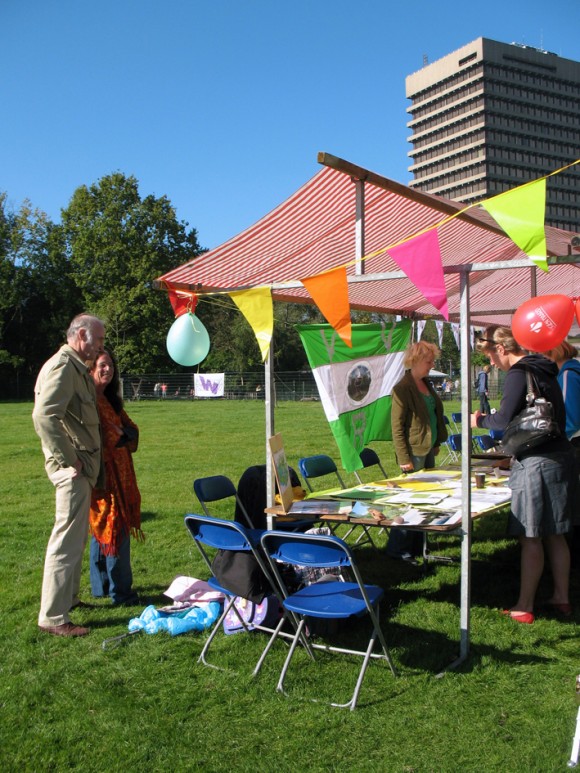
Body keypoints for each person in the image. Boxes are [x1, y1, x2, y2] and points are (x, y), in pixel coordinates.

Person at [470, 326, 576, 623]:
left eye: (490, 355)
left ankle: (524, 605)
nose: (491, 363)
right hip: (559, 454)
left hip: (536, 460)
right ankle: (562, 598)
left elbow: (502, 419)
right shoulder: (547, 368)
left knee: (530, 536)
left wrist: (478, 420)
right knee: (556, 534)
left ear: (501, 349)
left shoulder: (519, 373)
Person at [33, 313, 106, 637]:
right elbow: (45, 416)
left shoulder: (74, 366)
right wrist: (70, 459)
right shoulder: (63, 367)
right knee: (65, 542)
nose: (102, 346)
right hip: (73, 472)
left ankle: (70, 600)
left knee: (75, 539)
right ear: (81, 336)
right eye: (99, 340)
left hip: (81, 469)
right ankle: (53, 617)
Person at [89, 350, 143, 605]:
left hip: (122, 474)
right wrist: (121, 434)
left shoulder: (110, 400)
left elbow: (132, 431)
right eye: (102, 365)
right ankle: (120, 592)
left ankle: (104, 587)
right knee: (109, 526)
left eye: (110, 365)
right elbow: (106, 438)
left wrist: (123, 433)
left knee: (105, 528)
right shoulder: (88, 400)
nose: (107, 370)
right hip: (103, 476)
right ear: (91, 368)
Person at [386, 341, 448, 563]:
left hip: (428, 448)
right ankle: (398, 548)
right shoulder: (402, 388)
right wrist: (404, 458)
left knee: (425, 499)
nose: (431, 364)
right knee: (408, 501)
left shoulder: (426, 383)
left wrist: (438, 441)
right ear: (415, 361)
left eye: (432, 360)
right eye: (428, 361)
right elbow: (397, 427)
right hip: (413, 452)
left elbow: (434, 415)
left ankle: (417, 545)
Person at [544, 339, 580, 563]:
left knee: (573, 500)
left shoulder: (568, 375)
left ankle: (573, 553)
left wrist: (551, 439)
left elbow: (571, 418)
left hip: (574, 443)